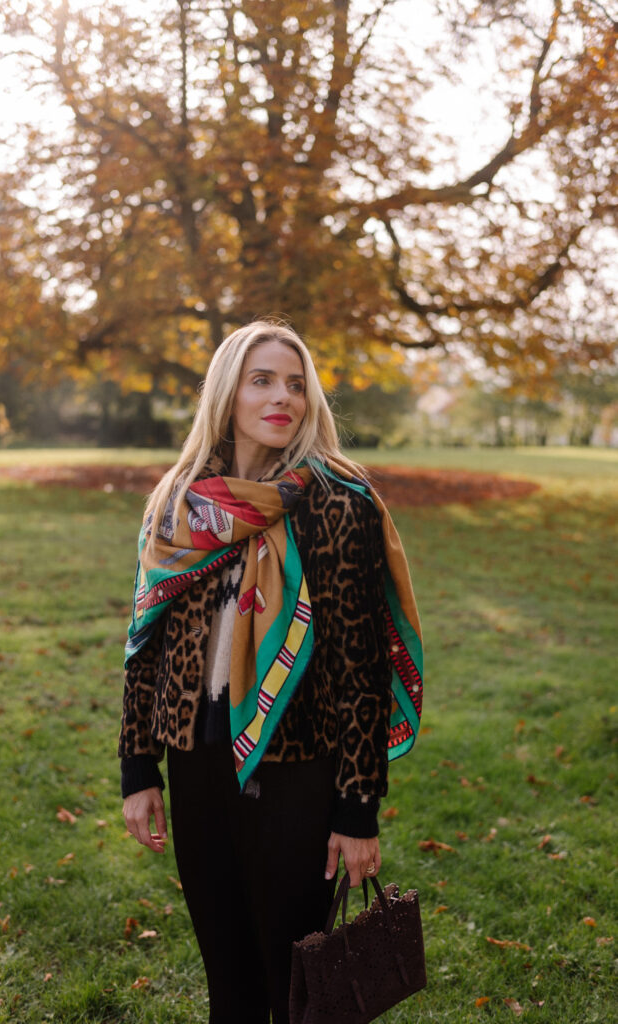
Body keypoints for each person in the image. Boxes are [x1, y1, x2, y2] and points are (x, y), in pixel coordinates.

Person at [119, 320, 423, 1024]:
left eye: (295, 383)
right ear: (227, 393)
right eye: (261, 380)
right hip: (196, 760)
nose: (282, 396)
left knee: (295, 989)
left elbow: (361, 670)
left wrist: (357, 809)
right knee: (227, 981)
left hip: (297, 769)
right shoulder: (180, 503)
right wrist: (138, 767)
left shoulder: (338, 503)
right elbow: (144, 647)